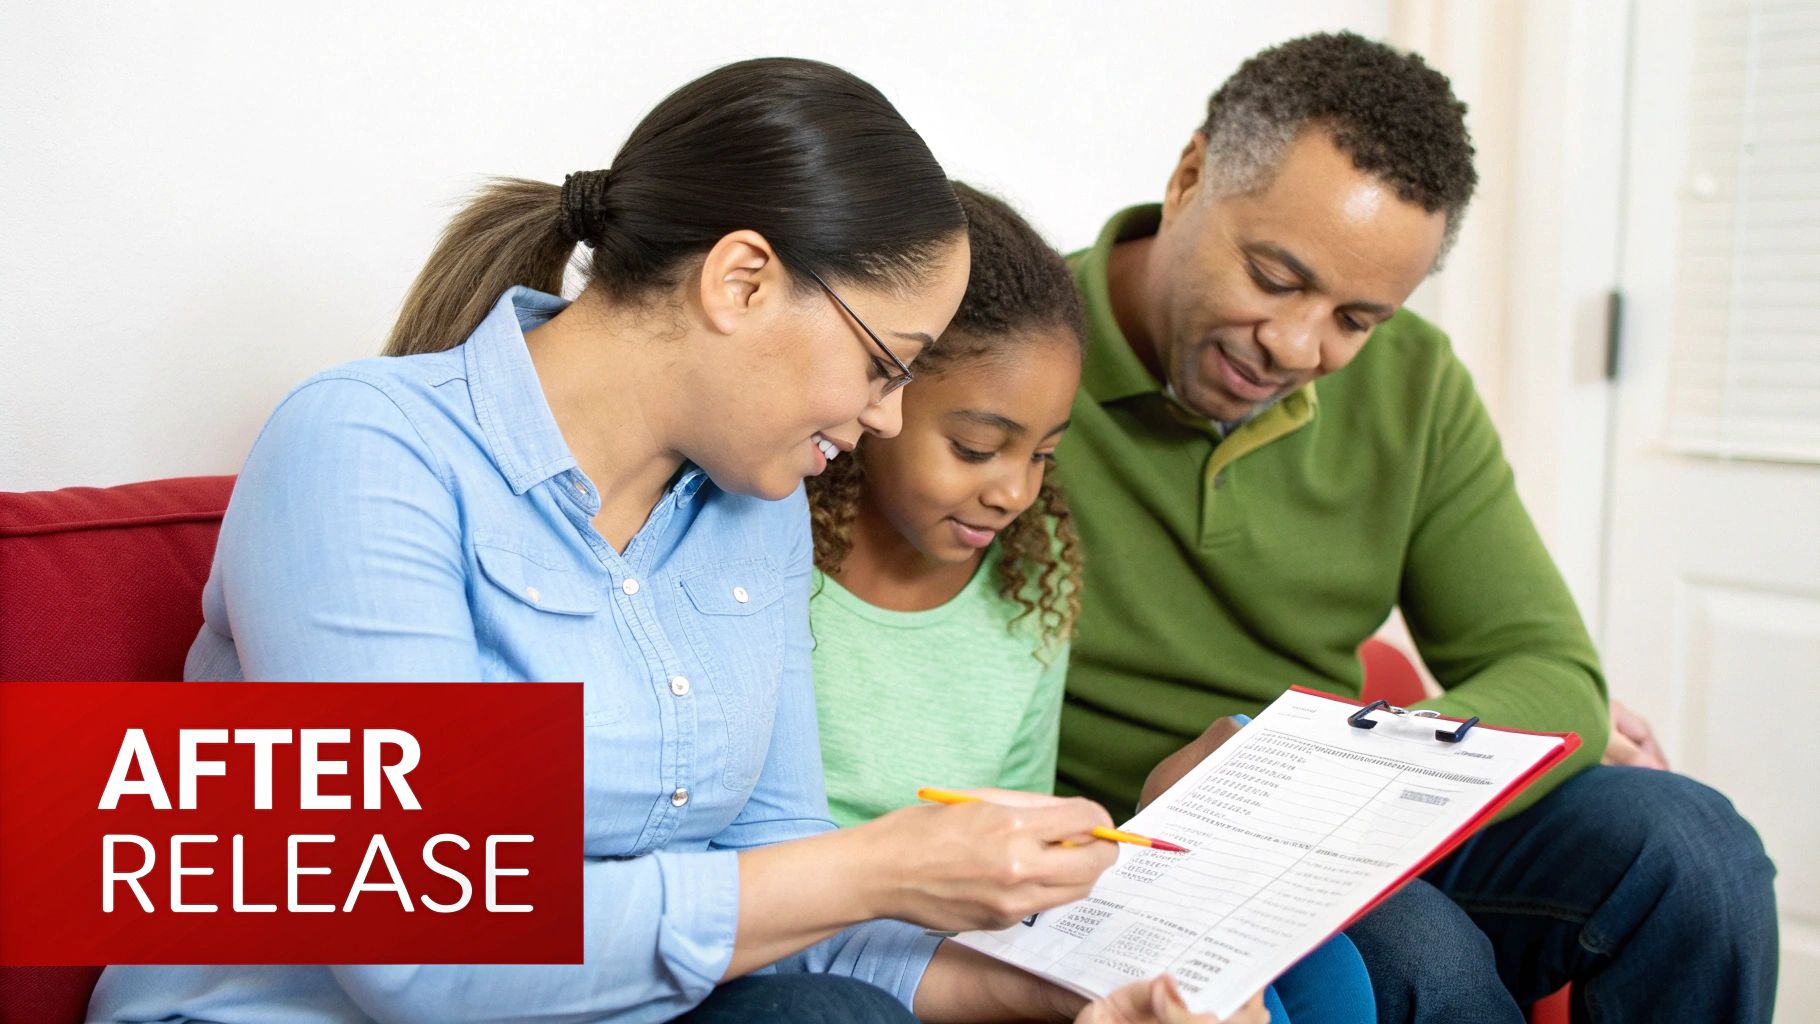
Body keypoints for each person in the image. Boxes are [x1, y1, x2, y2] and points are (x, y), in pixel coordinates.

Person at [86, 58, 1261, 1024]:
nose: (884, 417)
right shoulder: (366, 450)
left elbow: (799, 914)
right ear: (742, 282)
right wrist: (880, 866)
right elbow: (417, 955)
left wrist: (1072, 995)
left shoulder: (750, 517)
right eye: (882, 362)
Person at [1051, 31, 1779, 1023]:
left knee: (1691, 850)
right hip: (1142, 835)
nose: (1295, 346)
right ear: (1188, 177)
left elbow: (1552, 669)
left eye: (1355, 319)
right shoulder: (1012, 358)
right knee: (1419, 957)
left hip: (1354, 813)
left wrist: (1318, 762)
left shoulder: (1416, 382)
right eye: (1273, 277)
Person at [807, 182, 1373, 1024]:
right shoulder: (778, 573)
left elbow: (1022, 824)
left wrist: (1153, 832)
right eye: (975, 448)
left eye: (1043, 455)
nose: (1013, 492)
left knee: (1330, 972)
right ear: (876, 396)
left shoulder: (1031, 587)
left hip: (984, 924)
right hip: (849, 937)